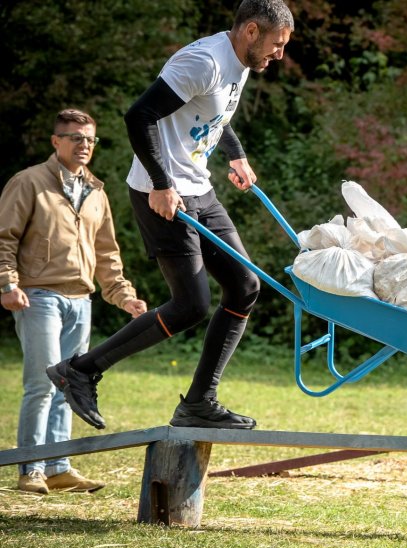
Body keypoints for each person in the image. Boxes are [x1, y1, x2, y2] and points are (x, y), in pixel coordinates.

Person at [45, 0, 294, 432]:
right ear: (251, 31)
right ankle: (81, 369)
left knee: (245, 285)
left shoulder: (240, 63)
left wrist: (236, 155)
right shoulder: (203, 61)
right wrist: (161, 183)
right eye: (277, 44)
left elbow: (215, 114)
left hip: (199, 188)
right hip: (159, 192)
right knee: (191, 304)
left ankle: (200, 402)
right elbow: (138, 115)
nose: (279, 54)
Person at [0, 109, 148, 494]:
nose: (84, 146)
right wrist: (6, 284)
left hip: (81, 299)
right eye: (75, 138)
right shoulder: (28, 182)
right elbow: (5, 238)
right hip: (39, 296)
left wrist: (125, 297)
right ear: (56, 141)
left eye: (90, 139)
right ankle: (28, 469)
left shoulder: (96, 190)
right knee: (41, 384)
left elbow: (107, 253)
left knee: (70, 385)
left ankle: (59, 468)